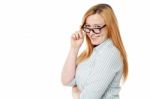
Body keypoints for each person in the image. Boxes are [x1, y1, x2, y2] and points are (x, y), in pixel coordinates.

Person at [61, 3, 128, 99]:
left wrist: (77, 95)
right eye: (88, 27)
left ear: (109, 27)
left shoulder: (110, 53)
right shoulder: (91, 53)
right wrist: (74, 48)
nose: (91, 33)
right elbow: (67, 81)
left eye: (97, 27)